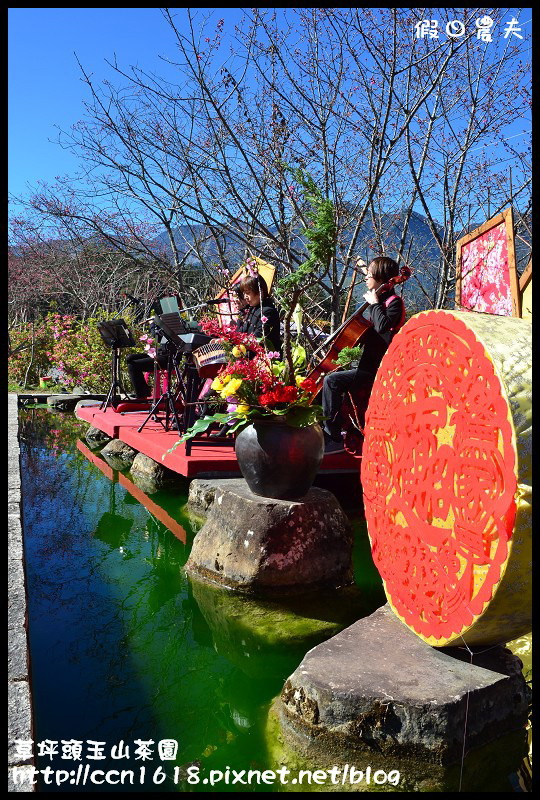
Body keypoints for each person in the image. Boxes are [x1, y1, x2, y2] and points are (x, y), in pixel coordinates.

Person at [322, 256, 406, 454]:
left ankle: (333, 437)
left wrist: (375, 304)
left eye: (369, 274)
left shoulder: (394, 303)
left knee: (332, 381)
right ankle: (333, 430)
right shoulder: (382, 299)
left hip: (379, 369)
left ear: (381, 277)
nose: (366, 277)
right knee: (332, 378)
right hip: (367, 364)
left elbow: (384, 327)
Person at [236, 274, 281, 355]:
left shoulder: (268, 312)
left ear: (260, 292)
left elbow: (257, 339)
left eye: (248, 293)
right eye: (244, 293)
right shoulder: (252, 308)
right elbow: (240, 332)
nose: (245, 297)